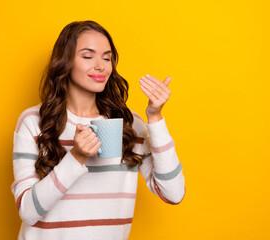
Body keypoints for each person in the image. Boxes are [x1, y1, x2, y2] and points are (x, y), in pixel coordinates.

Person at [11, 20, 185, 240]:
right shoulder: (34, 122)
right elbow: (28, 212)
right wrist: (76, 157)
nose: (101, 66)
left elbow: (174, 193)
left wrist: (155, 117)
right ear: (65, 62)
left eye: (107, 57)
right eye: (87, 56)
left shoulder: (129, 124)